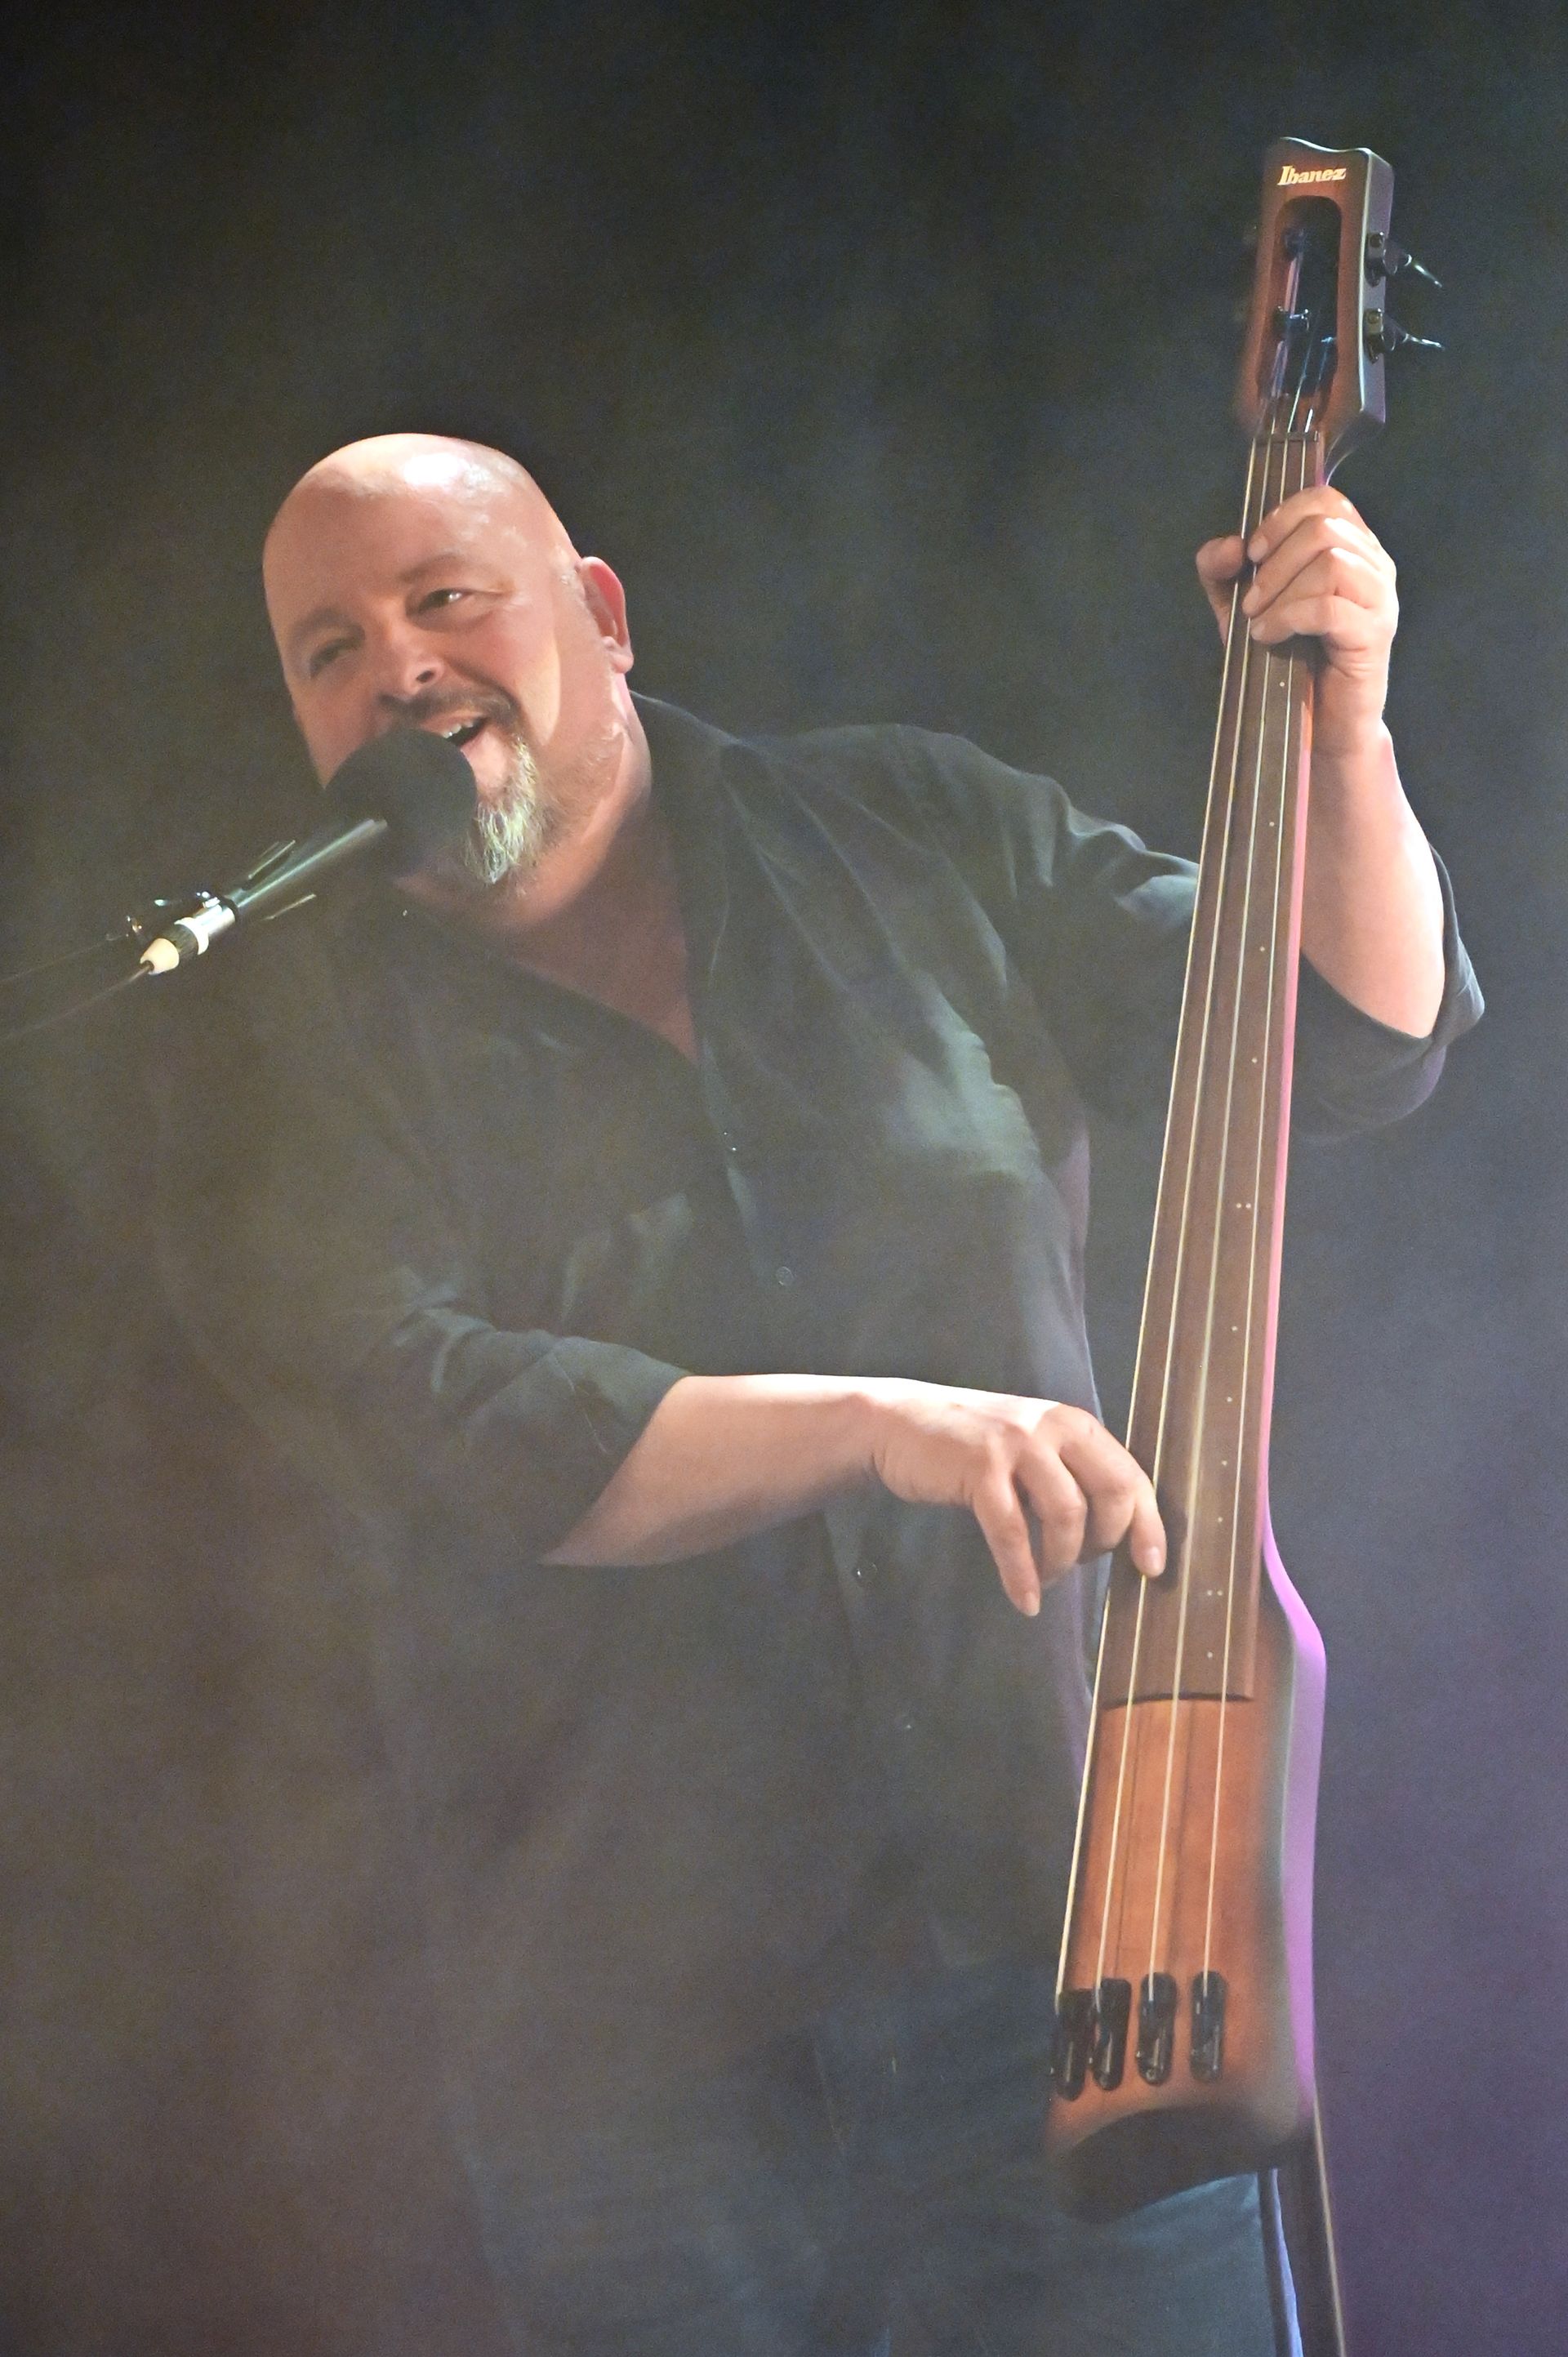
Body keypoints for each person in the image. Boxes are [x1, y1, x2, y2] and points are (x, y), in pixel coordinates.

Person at [155, 433, 1479, 2355]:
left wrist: (1343, 737)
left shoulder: (907, 824)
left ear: (600, 617)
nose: (400, 670)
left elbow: (1345, 1043)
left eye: (446, 600)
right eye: (331, 650)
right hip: (629, 2062)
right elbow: (442, 1415)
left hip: (1063, 1961)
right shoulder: (282, 1046)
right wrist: (876, 1425)